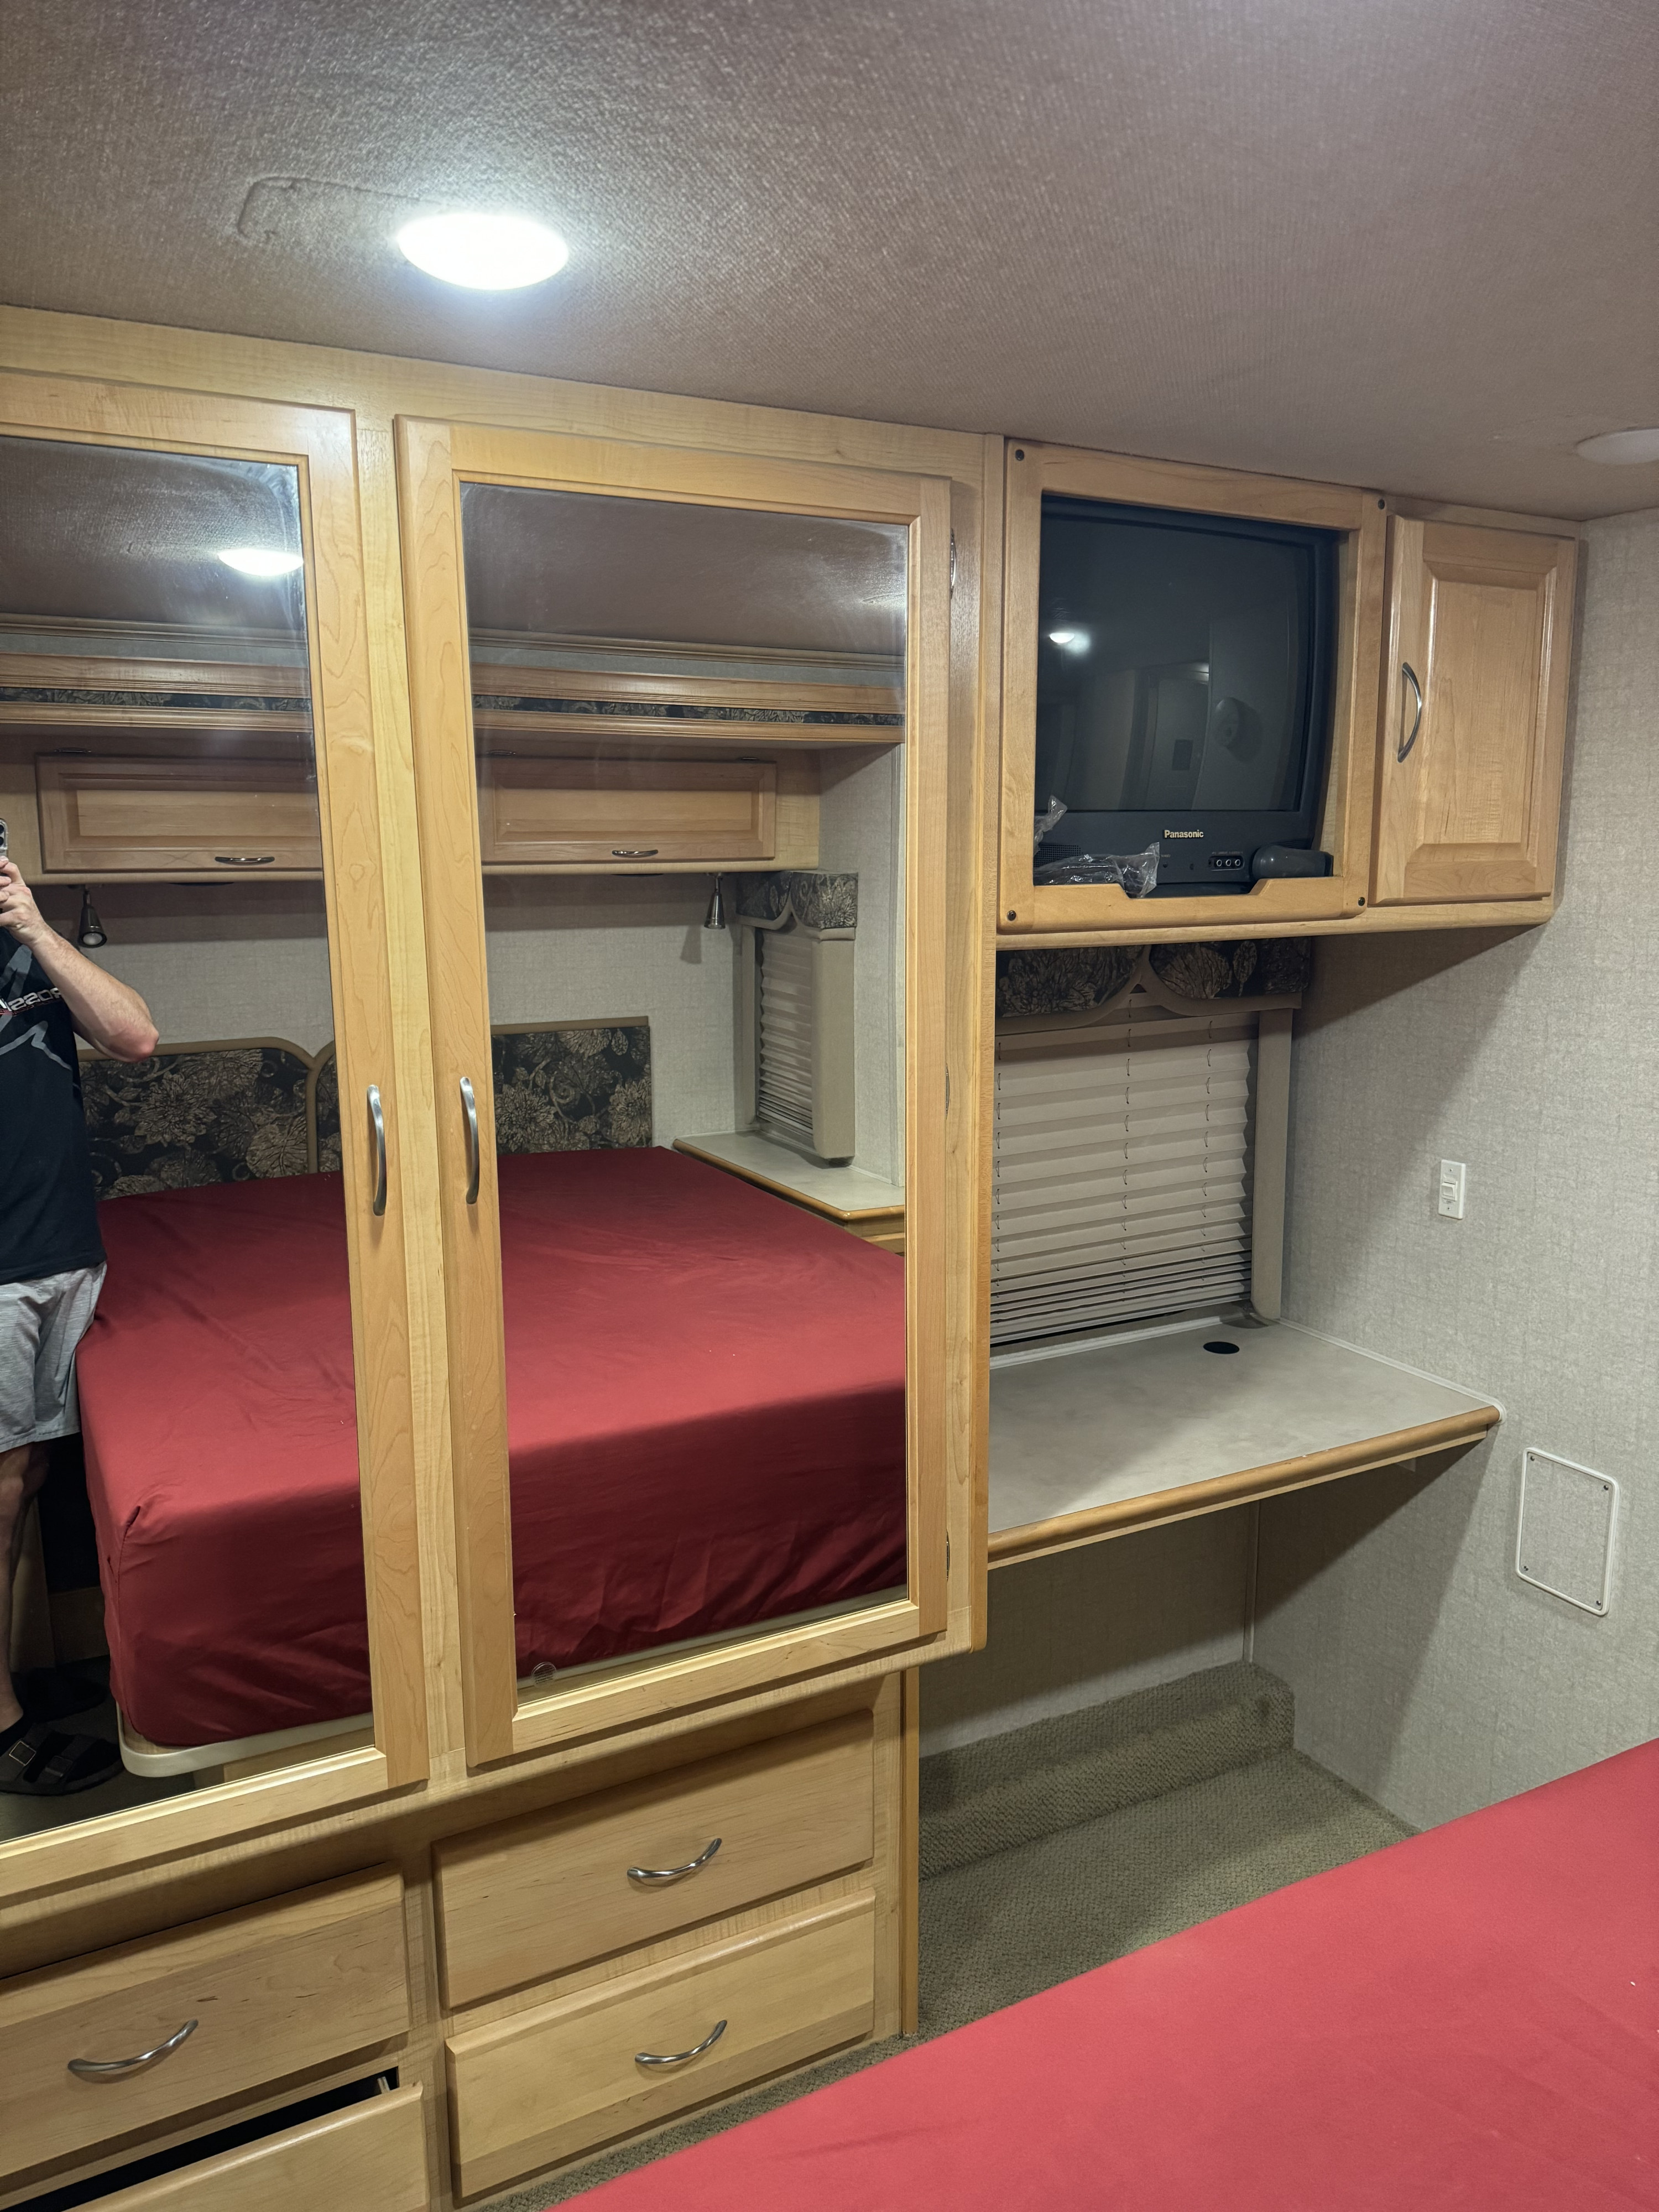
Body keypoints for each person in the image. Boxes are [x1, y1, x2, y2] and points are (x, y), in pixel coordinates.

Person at [1, 852, 157, 1795]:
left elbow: (134, 1036)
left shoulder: (27, 949)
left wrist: (33, 926)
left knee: (29, 1474)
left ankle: (19, 1672)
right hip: (2, 1267)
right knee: (1, 1487)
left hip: (60, 1245)